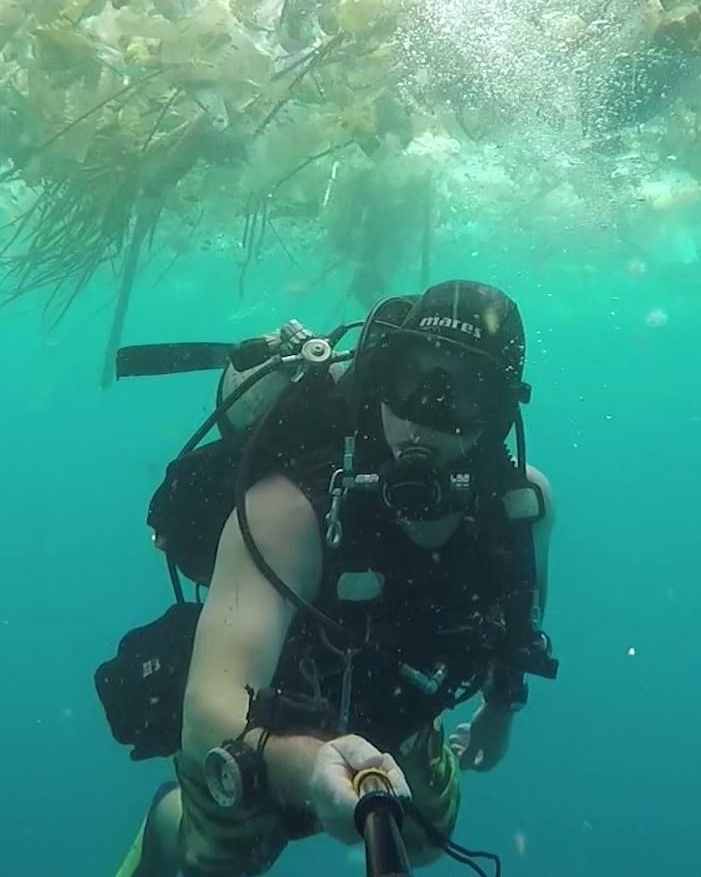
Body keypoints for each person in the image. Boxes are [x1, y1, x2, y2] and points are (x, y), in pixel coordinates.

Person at [109, 280, 558, 877]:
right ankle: (169, 823)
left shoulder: (522, 508)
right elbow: (210, 710)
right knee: (218, 861)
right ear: (380, 380)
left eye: (465, 392)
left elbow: (519, 616)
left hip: (396, 700)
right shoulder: (289, 510)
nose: (427, 413)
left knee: (427, 837)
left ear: (499, 413)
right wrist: (303, 765)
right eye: (412, 380)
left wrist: (502, 707)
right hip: (267, 712)